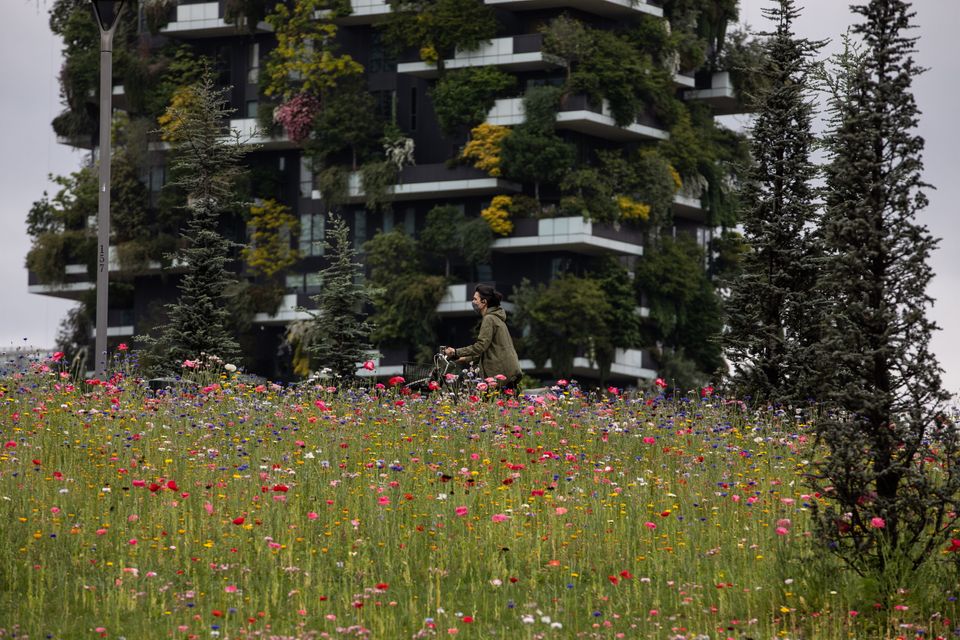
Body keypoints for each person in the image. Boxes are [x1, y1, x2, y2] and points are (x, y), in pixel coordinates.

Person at [444, 284, 522, 390]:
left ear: (484, 302)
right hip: (508, 370)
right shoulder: (496, 318)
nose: (473, 302)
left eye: (475, 299)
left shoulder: (489, 319)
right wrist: (465, 359)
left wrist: (455, 352)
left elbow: (481, 346)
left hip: (500, 373)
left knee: (486, 402)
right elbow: (488, 350)